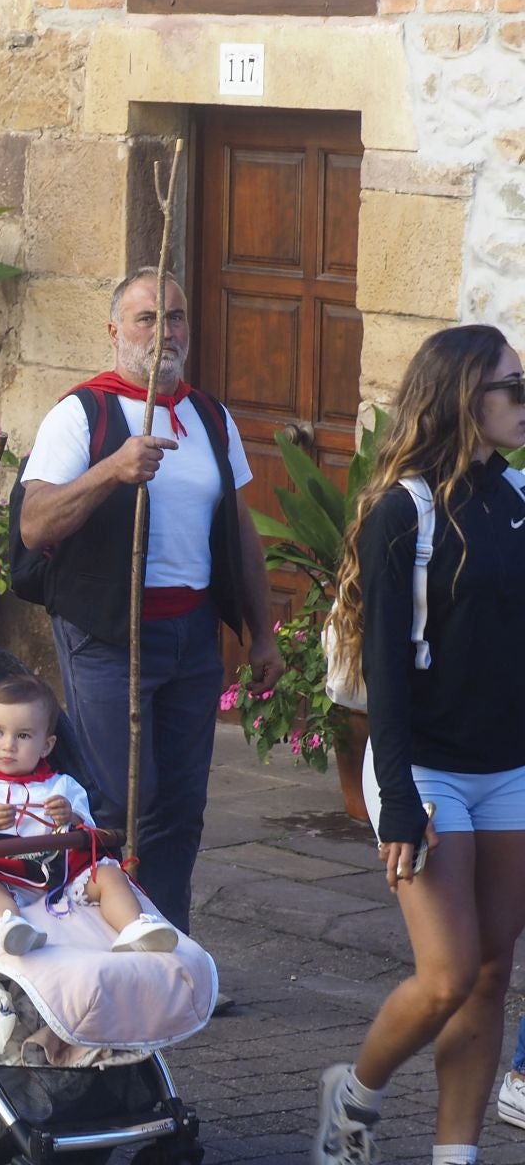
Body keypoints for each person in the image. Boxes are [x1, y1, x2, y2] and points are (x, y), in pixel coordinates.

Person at [311, 324, 525, 1165]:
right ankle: (353, 1097)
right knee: (445, 973)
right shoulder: (404, 509)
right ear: (464, 397)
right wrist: (395, 797)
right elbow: (388, 677)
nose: (523, 400)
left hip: (508, 767)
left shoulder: (513, 498)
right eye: (513, 386)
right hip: (427, 767)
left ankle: (455, 1156)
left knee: (489, 973)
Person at [15, 268, 282, 931]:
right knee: (117, 804)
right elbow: (34, 523)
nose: (165, 333)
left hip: (191, 635)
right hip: (106, 635)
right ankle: (97, 941)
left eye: (176, 317)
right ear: (114, 331)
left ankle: (169, 950)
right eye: (146, 319)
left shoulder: (210, 417)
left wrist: (264, 631)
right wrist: (114, 469)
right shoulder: (82, 413)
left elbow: (239, 527)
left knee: (181, 804)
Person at [0, 673, 179, 956]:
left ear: (46, 746)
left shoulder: (61, 784)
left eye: (23, 735)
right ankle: (8, 925)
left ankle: (134, 925)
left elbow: (90, 828)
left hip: (61, 871)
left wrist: (71, 816)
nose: (8, 745)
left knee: (109, 875)